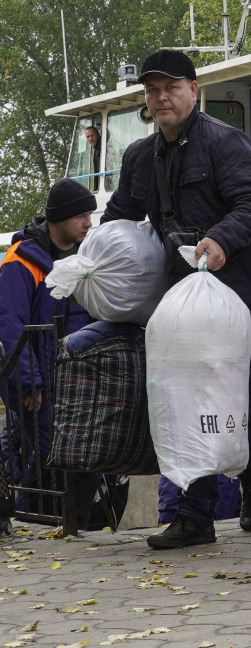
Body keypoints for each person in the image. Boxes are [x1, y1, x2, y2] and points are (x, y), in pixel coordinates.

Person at [101, 49, 251, 548]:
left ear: (193, 90)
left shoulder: (226, 143)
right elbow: (118, 217)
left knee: (239, 394)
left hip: (247, 293)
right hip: (186, 301)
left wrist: (222, 241)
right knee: (188, 397)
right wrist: (87, 254)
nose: (161, 97)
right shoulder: (140, 157)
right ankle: (195, 516)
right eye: (152, 90)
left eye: (171, 87)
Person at [0, 178, 96, 523]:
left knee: (64, 455)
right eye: (81, 215)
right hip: (38, 385)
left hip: (71, 380)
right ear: (59, 218)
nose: (88, 222)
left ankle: (65, 522)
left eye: (89, 214)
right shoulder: (20, 262)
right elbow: (11, 326)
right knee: (55, 454)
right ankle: (42, 519)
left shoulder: (82, 258)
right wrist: (29, 384)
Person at [84, 126, 102, 191]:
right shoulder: (95, 149)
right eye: (88, 137)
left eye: (92, 135)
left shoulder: (103, 147)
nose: (90, 139)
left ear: (97, 135)